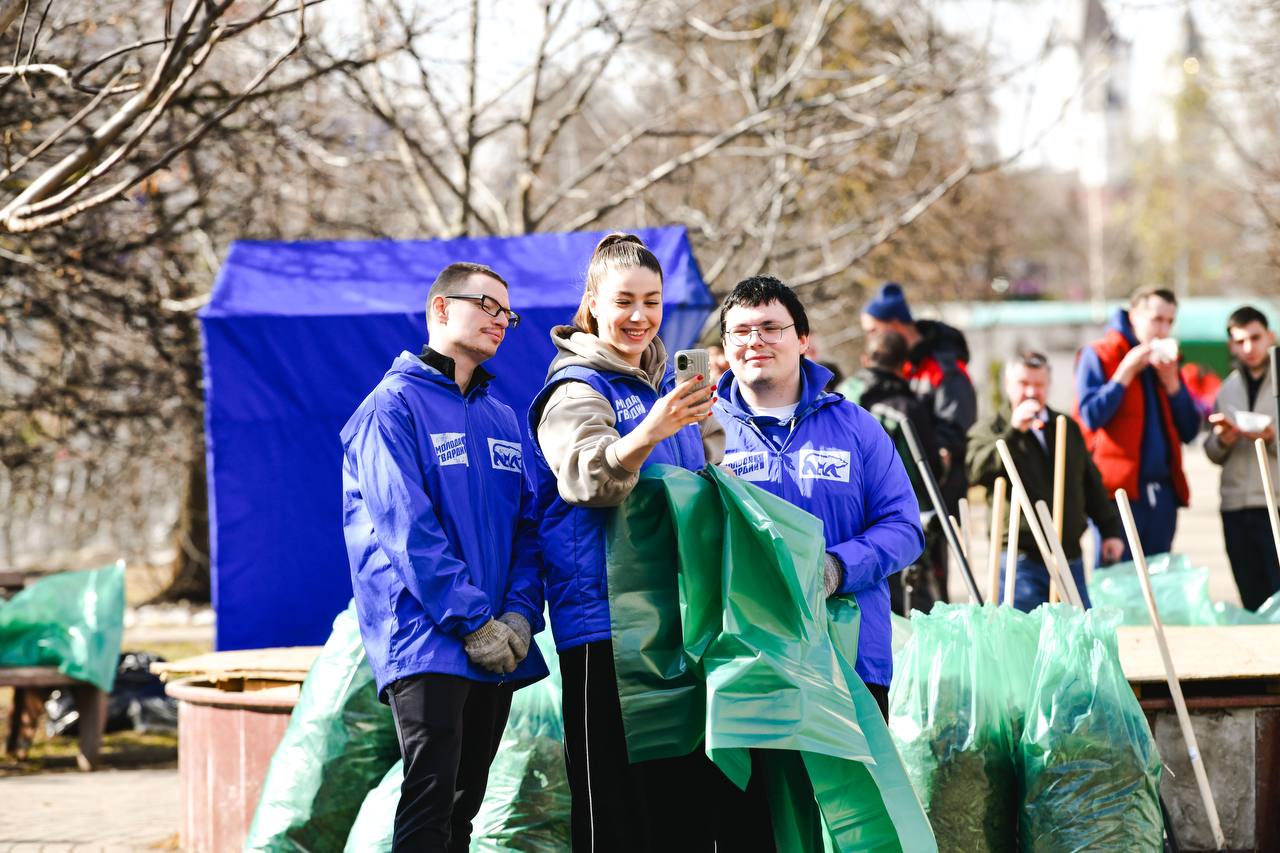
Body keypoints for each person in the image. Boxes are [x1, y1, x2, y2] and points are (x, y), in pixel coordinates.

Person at [526, 233, 728, 851]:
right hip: (605, 630)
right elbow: (588, 480)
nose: (640, 316)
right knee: (614, 813)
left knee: (677, 811)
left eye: (652, 301)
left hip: (676, 625)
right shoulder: (575, 390)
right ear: (592, 303)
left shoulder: (664, 392)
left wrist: (704, 432)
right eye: (623, 301)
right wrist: (651, 431)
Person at [340, 262, 548, 853]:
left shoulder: (501, 417)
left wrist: (518, 616)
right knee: (429, 802)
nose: (500, 320)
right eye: (486, 305)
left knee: (464, 806)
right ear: (440, 308)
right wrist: (472, 621)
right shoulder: (390, 407)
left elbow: (529, 528)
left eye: (507, 313)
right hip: (426, 638)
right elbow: (407, 530)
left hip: (498, 642)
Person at [715, 275, 924, 719]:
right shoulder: (700, 433)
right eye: (741, 331)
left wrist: (837, 568)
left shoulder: (857, 427)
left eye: (771, 328)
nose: (755, 341)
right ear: (726, 345)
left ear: (803, 339)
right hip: (743, 663)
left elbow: (904, 528)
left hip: (848, 660)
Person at [968, 351, 1126, 610]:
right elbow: (976, 470)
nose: (1031, 392)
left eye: (1039, 384)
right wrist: (1013, 432)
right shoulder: (992, 428)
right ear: (1008, 384)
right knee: (1021, 633)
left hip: (1068, 556)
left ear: (1048, 385)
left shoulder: (1065, 426)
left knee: (1076, 630)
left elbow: (1090, 483)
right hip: (1021, 560)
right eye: (1023, 383)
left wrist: (1110, 531)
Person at [860, 281, 976, 603]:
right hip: (892, 492)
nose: (871, 339)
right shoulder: (898, 365)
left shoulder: (944, 368)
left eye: (873, 330)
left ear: (895, 324)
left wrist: (932, 451)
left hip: (934, 494)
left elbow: (956, 427)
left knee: (928, 592)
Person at [1076, 286, 1200, 558]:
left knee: (1158, 578)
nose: (1163, 329)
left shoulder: (1167, 363)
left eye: (1169, 321)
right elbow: (1090, 417)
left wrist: (1174, 386)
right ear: (1133, 315)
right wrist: (1125, 373)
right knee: (1116, 579)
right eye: (1157, 319)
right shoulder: (1100, 354)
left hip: (1163, 493)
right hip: (1117, 496)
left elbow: (1191, 430)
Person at [850, 330, 945, 614]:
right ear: (905, 366)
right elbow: (931, 470)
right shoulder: (907, 409)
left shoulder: (839, 398)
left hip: (847, 535)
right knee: (913, 618)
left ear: (864, 359)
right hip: (896, 531)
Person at [1205, 306, 1280, 610]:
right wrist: (1223, 440)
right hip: (1236, 507)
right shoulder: (1227, 389)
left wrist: (1271, 439)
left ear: (1270, 336)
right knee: (1252, 601)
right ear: (1231, 345)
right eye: (1240, 341)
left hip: (1275, 503)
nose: (1249, 348)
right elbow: (1212, 452)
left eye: (1255, 338)